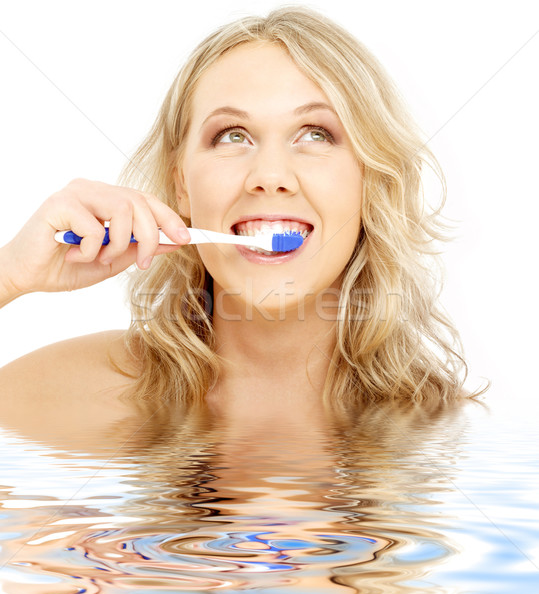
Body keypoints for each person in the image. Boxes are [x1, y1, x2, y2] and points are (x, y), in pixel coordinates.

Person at [0, 6, 479, 445]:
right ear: (181, 184)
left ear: (368, 181)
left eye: (316, 134)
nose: (269, 177)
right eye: (233, 136)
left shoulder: (443, 432)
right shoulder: (67, 394)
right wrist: (10, 275)